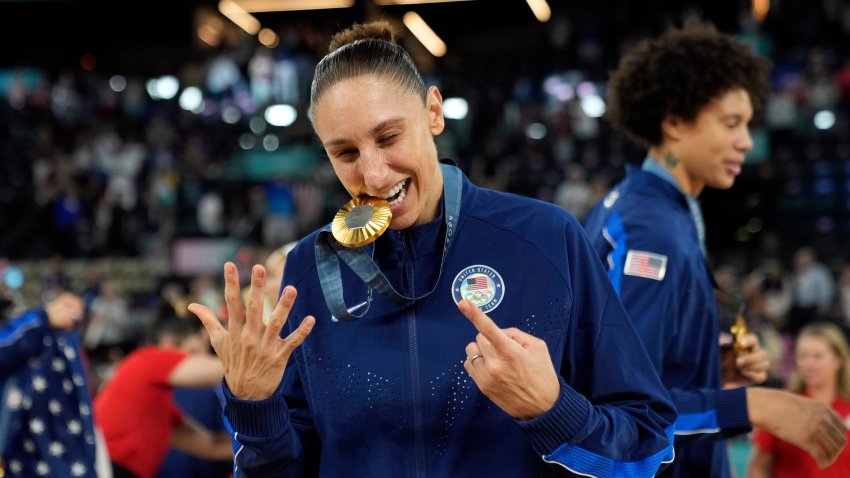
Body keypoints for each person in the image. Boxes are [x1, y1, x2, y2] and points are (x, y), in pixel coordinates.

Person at [189, 21, 677, 477]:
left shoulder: (546, 240)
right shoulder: (312, 270)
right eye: (346, 153)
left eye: (389, 136)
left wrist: (553, 410)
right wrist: (254, 408)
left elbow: (649, 444)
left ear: (434, 112)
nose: (375, 174)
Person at [582, 21, 847, 478]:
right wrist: (756, 405)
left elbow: (651, 363)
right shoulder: (652, 231)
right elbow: (626, 407)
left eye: (747, 124)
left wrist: (712, 366)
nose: (746, 140)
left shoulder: (658, 210)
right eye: (731, 123)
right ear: (673, 122)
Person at [94, 314, 232, 478]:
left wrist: (265, 441)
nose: (201, 360)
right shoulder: (148, 359)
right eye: (194, 352)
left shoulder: (157, 408)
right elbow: (228, 370)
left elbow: (211, 446)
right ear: (170, 343)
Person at [0, 292, 100, 477]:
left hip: (66, 453)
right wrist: (43, 318)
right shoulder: (37, 325)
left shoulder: (51, 334)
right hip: (28, 459)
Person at [747, 322, 850, 477]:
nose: (809, 364)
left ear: (839, 360)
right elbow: (759, 467)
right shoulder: (782, 405)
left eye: (818, 356)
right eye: (802, 356)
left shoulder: (847, 406)